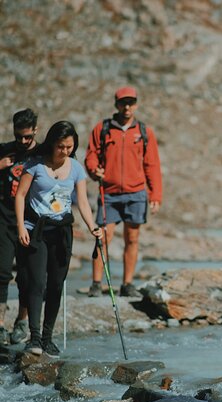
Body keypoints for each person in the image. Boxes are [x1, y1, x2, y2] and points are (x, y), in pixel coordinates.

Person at [15, 121, 103, 357]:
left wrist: (93, 226)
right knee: (37, 283)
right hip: (36, 230)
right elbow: (21, 195)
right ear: (52, 144)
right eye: (61, 146)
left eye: (69, 147)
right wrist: (21, 226)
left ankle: (47, 337)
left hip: (62, 231)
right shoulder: (35, 165)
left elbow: (82, 202)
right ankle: (33, 338)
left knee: (55, 284)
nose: (65, 151)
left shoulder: (75, 168)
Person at [85, 86, 162, 298]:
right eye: (123, 103)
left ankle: (127, 284)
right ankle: (96, 283)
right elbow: (91, 155)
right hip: (108, 193)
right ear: (116, 105)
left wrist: (155, 195)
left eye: (131, 102)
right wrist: (93, 169)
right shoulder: (102, 129)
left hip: (136, 193)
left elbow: (152, 165)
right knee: (102, 237)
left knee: (132, 238)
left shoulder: (144, 132)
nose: (127, 107)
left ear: (136, 104)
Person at [0, 109, 39, 346]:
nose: (23, 141)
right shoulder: (4, 149)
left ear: (35, 130)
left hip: (31, 220)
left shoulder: (43, 152)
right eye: (19, 137)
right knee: (2, 272)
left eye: (27, 137)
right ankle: (0, 325)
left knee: (26, 274)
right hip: (4, 218)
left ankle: (22, 322)